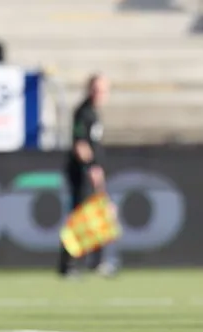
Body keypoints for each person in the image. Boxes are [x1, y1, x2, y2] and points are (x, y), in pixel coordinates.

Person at [57, 73, 116, 279]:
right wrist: (91, 168)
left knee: (96, 217)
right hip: (82, 175)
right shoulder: (83, 112)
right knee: (79, 219)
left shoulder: (93, 112)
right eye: (97, 89)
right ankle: (68, 265)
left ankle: (96, 262)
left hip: (91, 173)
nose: (101, 94)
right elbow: (80, 144)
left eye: (103, 90)